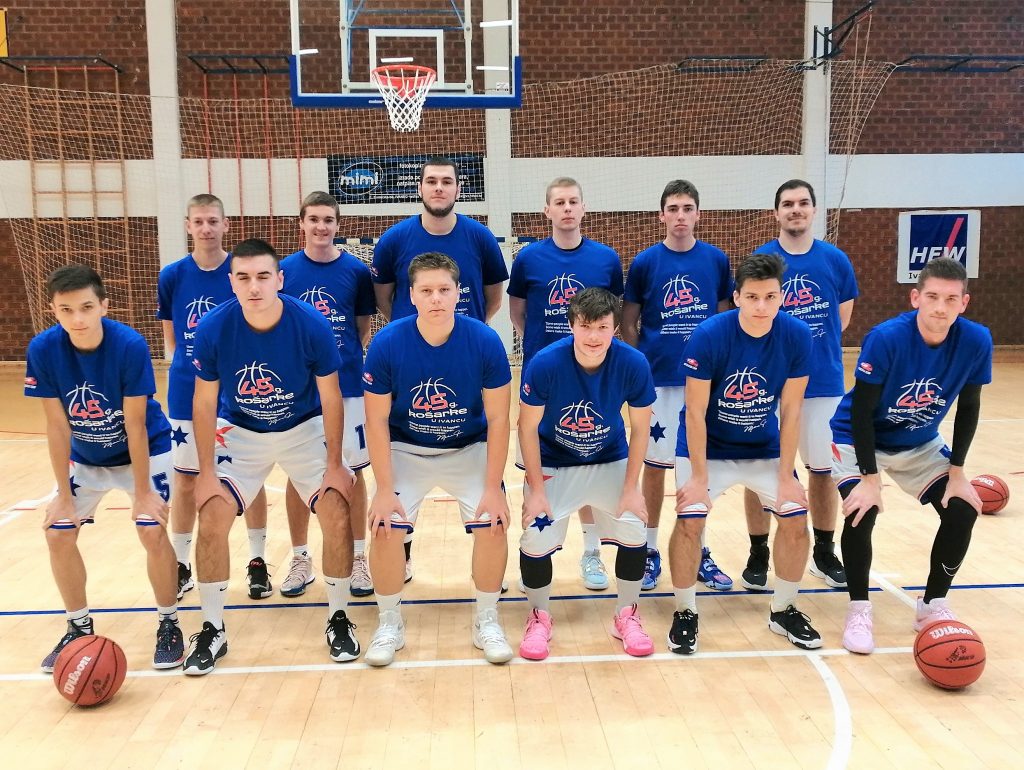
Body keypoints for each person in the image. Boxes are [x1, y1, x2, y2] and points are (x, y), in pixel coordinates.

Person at [186, 239, 359, 674]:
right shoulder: (213, 328)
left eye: (263, 276)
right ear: (231, 282)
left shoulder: (311, 323)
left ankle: (339, 617)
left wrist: (335, 465)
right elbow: (204, 402)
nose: (254, 286)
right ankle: (212, 628)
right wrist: (205, 473)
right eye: (244, 277)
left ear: (280, 280)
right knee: (211, 516)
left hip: (303, 428)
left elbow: (331, 396)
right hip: (241, 432)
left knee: (337, 510)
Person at [830, 257, 992, 654]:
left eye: (951, 299)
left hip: (919, 442)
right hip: (856, 437)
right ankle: (859, 609)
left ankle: (932, 605)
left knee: (963, 509)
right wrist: (870, 479)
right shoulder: (886, 338)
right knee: (862, 509)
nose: (940, 307)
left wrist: (958, 473)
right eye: (932, 297)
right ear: (915, 297)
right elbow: (863, 411)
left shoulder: (976, 340)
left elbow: (969, 407)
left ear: (964, 303)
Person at [26, 265, 183, 672]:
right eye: (66, 310)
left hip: (145, 450)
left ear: (103, 306)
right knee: (57, 533)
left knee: (151, 529)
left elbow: (135, 424)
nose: (77, 318)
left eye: (86, 307)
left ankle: (169, 623)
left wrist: (143, 491)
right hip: (86, 458)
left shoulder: (128, 345)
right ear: (53, 310)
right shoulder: (43, 349)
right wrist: (64, 496)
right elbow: (57, 426)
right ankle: (78, 627)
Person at [361, 252, 513, 667]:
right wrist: (384, 489)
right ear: (411, 295)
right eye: (426, 290)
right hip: (406, 448)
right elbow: (376, 421)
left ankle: (487, 618)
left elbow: (500, 419)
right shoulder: (387, 342)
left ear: (459, 292)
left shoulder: (484, 340)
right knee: (385, 526)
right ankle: (389, 622)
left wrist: (493, 487)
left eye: (444, 289)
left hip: (468, 447)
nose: (435, 298)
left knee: (493, 522)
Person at [670, 253, 820, 654]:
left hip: (763, 447)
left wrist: (787, 475)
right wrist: (698, 478)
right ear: (736, 297)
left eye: (770, 297)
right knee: (689, 519)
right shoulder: (709, 334)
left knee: (795, 517)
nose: (761, 306)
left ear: (782, 296)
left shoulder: (797, 336)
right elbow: (695, 412)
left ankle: (783, 609)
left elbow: (792, 410)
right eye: (752, 297)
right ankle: (685, 611)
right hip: (707, 449)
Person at [371, 156, 510, 580]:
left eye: (446, 181)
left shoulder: (480, 237)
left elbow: (493, 295)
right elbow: (383, 296)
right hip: (408, 360)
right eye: (431, 180)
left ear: (458, 189)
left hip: (464, 357)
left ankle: (487, 582)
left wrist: (464, 332)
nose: (438, 187)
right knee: (406, 431)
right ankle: (401, 557)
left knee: (465, 426)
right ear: (420, 188)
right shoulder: (394, 239)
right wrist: (412, 331)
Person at [518, 288, 656, 660]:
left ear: (615, 328)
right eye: (585, 326)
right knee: (536, 534)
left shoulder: (633, 363)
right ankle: (539, 616)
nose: (593, 336)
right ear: (571, 326)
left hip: (609, 457)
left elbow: (641, 428)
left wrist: (632, 487)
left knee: (633, 525)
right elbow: (526, 428)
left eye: (602, 327)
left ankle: (626, 614)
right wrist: (536, 490)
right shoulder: (546, 363)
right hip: (555, 460)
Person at [508, 177, 624, 591]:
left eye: (574, 201)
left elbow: (612, 313)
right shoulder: (528, 259)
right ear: (547, 211)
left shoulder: (606, 259)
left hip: (593, 377)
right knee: (537, 466)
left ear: (583, 207)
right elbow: (518, 312)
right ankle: (535, 549)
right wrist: (551, 353)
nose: (567, 208)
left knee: (588, 463)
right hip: (545, 379)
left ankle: (591, 552)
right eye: (559, 202)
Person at [742, 179, 858, 592]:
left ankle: (824, 552)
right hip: (766, 384)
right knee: (760, 469)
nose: (796, 209)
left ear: (813, 210)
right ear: (776, 212)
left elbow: (841, 319)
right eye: (788, 203)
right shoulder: (761, 261)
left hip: (822, 382)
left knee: (822, 471)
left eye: (803, 202)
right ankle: (758, 552)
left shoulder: (835, 260)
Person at [621, 179, 734, 593]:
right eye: (673, 208)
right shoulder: (646, 262)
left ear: (698, 214)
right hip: (659, 382)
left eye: (687, 208)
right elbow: (628, 320)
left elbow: (725, 319)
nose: (680, 216)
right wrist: (640, 369)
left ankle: (698, 549)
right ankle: (649, 549)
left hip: (703, 384)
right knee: (654, 467)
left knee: (695, 468)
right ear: (661, 215)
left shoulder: (716, 260)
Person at [156, 194, 270, 602]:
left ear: (226, 225)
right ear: (188, 226)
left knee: (249, 480)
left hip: (238, 391)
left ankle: (257, 560)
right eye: (199, 221)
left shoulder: (240, 271)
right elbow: (172, 339)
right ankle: (181, 563)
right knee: (187, 479)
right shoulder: (172, 275)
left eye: (212, 221)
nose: (206, 228)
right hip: (188, 392)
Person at [280, 191, 377, 598]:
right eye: (314, 219)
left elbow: (361, 328)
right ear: (301, 223)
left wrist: (336, 363)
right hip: (299, 390)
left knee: (353, 470)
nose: (321, 227)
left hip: (347, 386)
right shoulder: (284, 271)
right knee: (297, 472)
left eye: (328, 220)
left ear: (338, 224)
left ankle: (358, 558)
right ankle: (300, 557)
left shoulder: (356, 271)